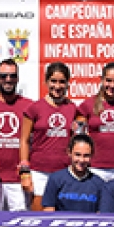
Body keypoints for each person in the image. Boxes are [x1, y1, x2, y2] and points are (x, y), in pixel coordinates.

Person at [19, 63, 77, 211]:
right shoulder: (34, 108)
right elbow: (24, 140)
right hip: (39, 171)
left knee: (63, 217)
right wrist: (25, 171)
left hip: (65, 171)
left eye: (62, 81)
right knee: (40, 216)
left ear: (68, 83)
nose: (57, 86)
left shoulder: (73, 108)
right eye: (53, 81)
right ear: (46, 82)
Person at [0, 59, 33, 212]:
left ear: (18, 78)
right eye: (4, 76)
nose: (8, 80)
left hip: (18, 179)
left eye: (12, 76)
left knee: (20, 226)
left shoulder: (29, 106)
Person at [76, 63, 114, 181]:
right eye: (108, 80)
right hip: (94, 167)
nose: (112, 85)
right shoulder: (88, 104)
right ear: (101, 80)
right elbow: (78, 134)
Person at [42, 134, 104, 213]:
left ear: (92, 155)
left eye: (86, 156)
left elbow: (101, 214)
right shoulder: (55, 179)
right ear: (69, 152)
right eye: (77, 155)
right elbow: (48, 210)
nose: (81, 160)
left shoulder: (99, 184)